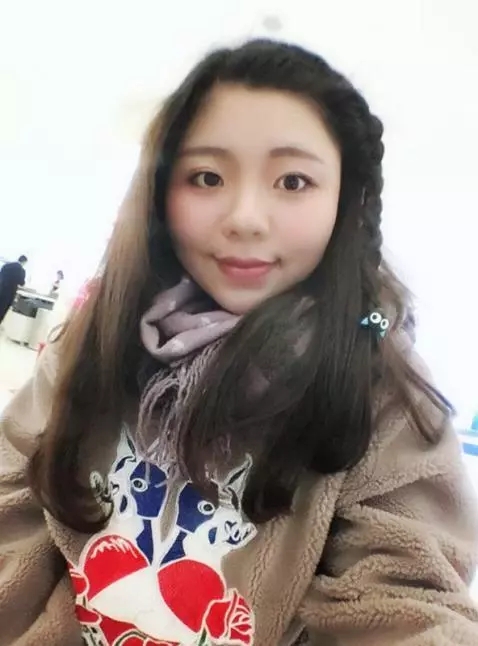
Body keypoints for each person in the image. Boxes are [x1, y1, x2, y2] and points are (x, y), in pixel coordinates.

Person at [0, 40, 477, 646]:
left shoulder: (382, 390)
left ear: (346, 202)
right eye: (207, 177)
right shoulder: (98, 334)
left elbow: (405, 598)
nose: (246, 217)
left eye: (293, 181)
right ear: (159, 191)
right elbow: (14, 487)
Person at [0, 254, 27, 325]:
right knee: (2, 311)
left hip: (1, 290)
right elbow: (22, 283)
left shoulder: (6, 266)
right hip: (9, 294)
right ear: (24, 262)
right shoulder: (21, 270)